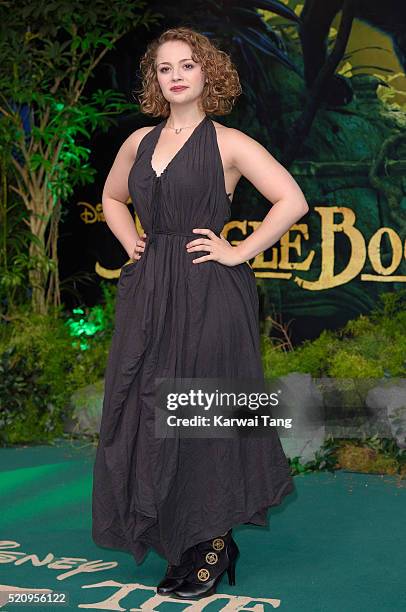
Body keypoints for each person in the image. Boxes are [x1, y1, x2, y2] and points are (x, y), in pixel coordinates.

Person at [92, 26, 309, 601]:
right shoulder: (139, 142)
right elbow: (113, 198)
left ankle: (210, 542)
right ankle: (180, 538)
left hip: (210, 292)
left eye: (188, 64)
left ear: (207, 72)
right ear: (155, 81)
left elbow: (292, 199)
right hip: (149, 292)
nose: (177, 75)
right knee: (148, 411)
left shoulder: (229, 143)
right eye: (165, 69)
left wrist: (237, 250)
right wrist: (131, 241)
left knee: (202, 413)